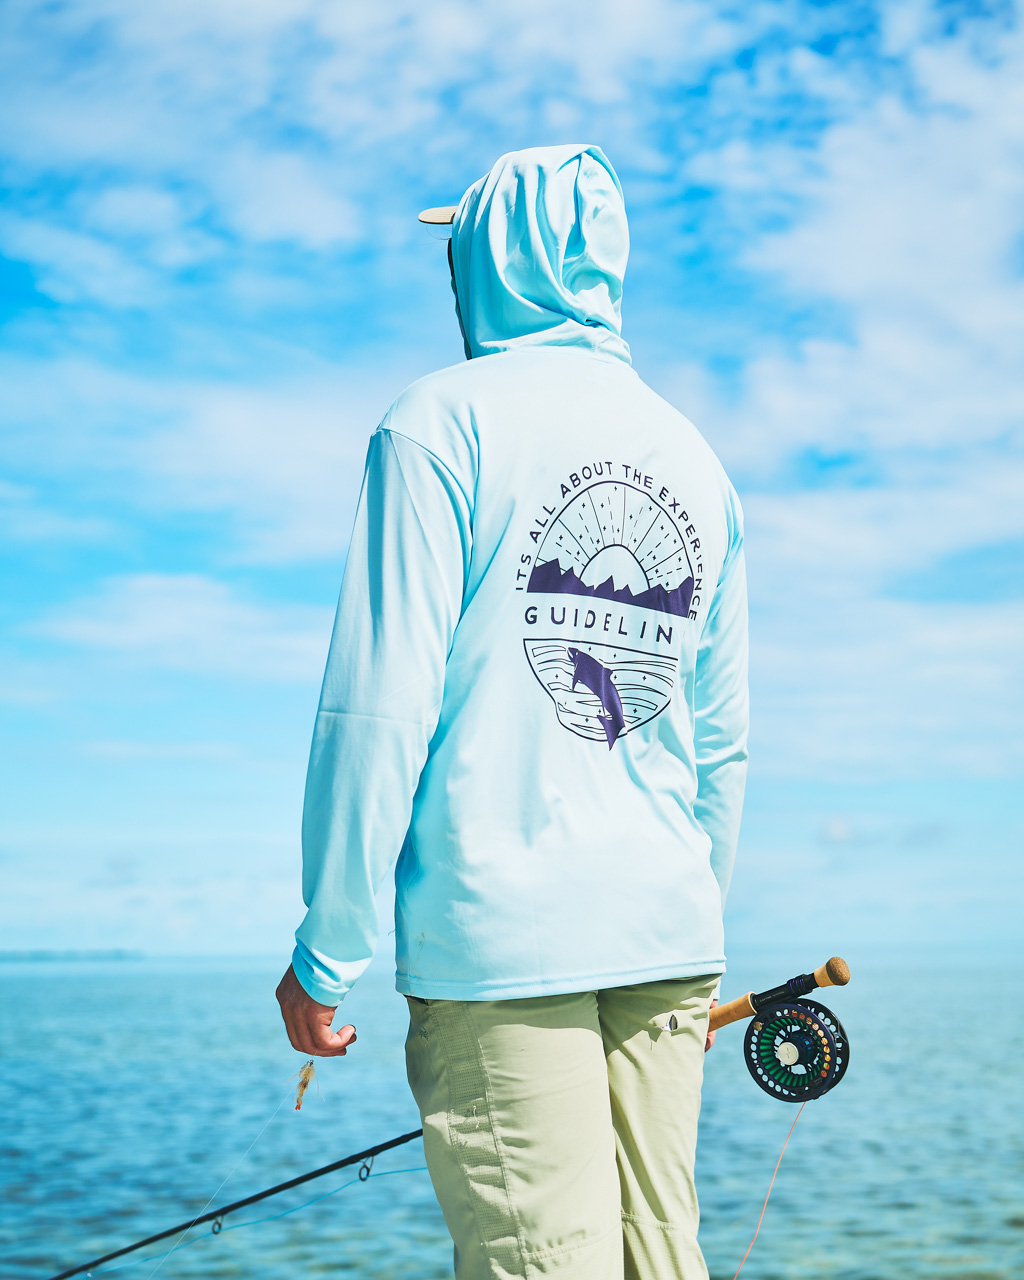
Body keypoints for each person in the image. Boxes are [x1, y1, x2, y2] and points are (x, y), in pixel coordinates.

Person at [276, 144, 748, 1280]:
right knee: (660, 1261)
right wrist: (678, 909)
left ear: (489, 257)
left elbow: (379, 710)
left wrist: (325, 950)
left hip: (502, 937)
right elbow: (720, 746)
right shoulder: (696, 456)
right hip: (666, 934)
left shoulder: (435, 423)